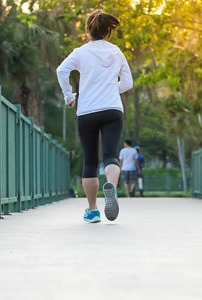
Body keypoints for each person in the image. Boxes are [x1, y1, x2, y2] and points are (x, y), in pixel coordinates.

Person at [56, 10, 133, 223]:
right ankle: (112, 188)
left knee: (90, 161)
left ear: (88, 30)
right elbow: (128, 83)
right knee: (110, 155)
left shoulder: (80, 52)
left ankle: (93, 210)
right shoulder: (116, 52)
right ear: (108, 32)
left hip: (87, 111)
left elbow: (61, 71)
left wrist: (69, 96)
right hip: (112, 110)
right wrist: (108, 90)